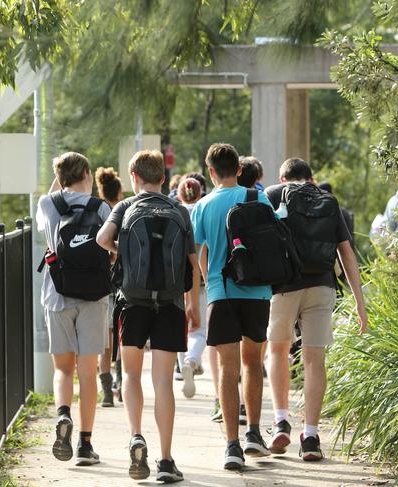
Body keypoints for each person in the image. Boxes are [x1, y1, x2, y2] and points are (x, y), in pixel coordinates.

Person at [97, 150, 201, 483]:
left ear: (135, 177)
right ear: (162, 178)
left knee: (130, 373)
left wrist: (120, 252)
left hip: (133, 302)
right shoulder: (179, 210)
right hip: (170, 304)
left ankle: (136, 435)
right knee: (162, 382)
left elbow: (102, 239)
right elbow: (192, 263)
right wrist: (193, 304)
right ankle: (167, 460)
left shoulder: (125, 206)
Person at [264, 158, 368, 461]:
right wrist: (360, 304)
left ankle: (281, 420)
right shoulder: (328, 202)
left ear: (283, 178)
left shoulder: (273, 194)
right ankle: (310, 436)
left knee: (278, 350)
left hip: (284, 287)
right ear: (311, 178)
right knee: (314, 360)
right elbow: (346, 254)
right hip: (322, 286)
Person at [191, 143, 273, 471]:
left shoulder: (203, 205)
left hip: (220, 293)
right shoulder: (259, 198)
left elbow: (196, 251)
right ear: (239, 168)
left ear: (211, 171)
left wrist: (205, 281)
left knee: (228, 369)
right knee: (253, 362)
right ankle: (254, 432)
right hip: (257, 292)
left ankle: (232, 445)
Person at [36, 152, 111, 466]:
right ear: (86, 173)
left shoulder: (47, 204)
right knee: (88, 372)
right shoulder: (102, 207)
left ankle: (63, 414)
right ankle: (85, 444)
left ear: (59, 177)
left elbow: (55, 194)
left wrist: (62, 177)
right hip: (94, 297)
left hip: (58, 295)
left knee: (63, 370)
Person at [174, 177, 206, 399]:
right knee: (200, 328)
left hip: (175, 280)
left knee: (181, 327)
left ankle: (182, 364)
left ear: (179, 195)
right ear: (200, 193)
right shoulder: (204, 210)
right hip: (202, 277)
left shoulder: (174, 212)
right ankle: (192, 361)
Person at [95, 166, 124, 407]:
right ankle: (121, 384)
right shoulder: (121, 212)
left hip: (101, 282)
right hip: (122, 283)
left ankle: (106, 392)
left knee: (106, 340)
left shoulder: (95, 211)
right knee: (122, 338)